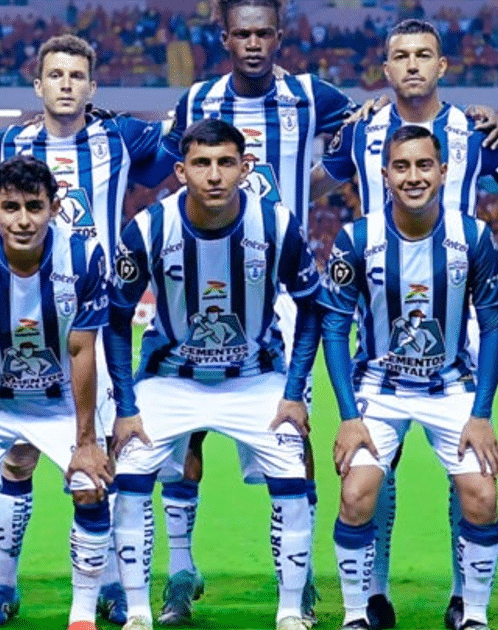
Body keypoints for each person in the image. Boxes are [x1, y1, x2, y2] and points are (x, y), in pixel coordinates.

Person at [158, 1, 355, 622]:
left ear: (278, 36)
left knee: (291, 432)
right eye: (241, 33)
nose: (252, 43)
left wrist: (307, 185)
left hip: (280, 289)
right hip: (201, 279)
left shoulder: (310, 95)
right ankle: (181, 571)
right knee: (185, 430)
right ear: (225, 38)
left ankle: (298, 577)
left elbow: (359, 138)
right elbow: (168, 161)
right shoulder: (197, 99)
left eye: (262, 33)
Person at [320, 20, 498, 629]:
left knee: (472, 479)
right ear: (385, 69)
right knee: (372, 477)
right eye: (401, 56)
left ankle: (466, 602)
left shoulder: (475, 132)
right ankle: (371, 598)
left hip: (455, 302)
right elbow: (322, 177)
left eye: (423, 55)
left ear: (442, 65)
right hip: (380, 300)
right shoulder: (362, 130)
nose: (412, 65)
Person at [0, 33, 171, 627]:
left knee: (106, 454)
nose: (65, 84)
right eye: (55, 75)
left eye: (76, 76)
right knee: (20, 456)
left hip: (97, 318)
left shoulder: (119, 137)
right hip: (22, 315)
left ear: (92, 86)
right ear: (38, 85)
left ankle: (109, 585)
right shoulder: (11, 143)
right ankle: (4, 585)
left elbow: (177, 145)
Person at [106, 119, 323, 630]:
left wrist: (293, 393)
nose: (214, 174)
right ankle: (139, 610)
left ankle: (293, 605)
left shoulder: (277, 224)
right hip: (169, 378)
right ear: (181, 171)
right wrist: (126, 407)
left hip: (255, 376)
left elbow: (313, 310)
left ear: (245, 168)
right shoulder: (148, 228)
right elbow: (116, 319)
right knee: (129, 474)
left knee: (293, 471)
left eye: (226, 162)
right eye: (201, 163)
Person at [0, 154, 114, 630]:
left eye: (35, 207)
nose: (23, 220)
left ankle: (82, 616)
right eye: (11, 207)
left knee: (90, 486)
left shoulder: (83, 257)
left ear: (54, 208)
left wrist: (87, 441)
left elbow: (82, 350)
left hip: (60, 402)